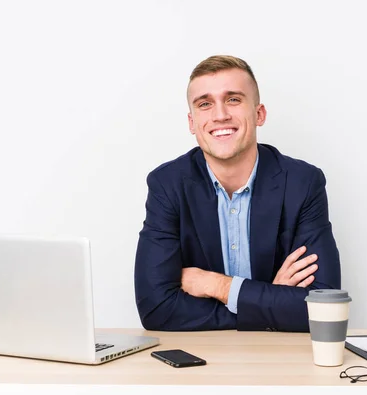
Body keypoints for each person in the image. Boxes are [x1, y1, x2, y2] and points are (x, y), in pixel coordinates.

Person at [134, 55, 341, 332]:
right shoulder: (167, 185)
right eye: (205, 104)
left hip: (281, 362)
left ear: (259, 114)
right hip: (201, 363)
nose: (220, 115)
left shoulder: (302, 183)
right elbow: (156, 309)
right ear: (192, 122)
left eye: (233, 99)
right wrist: (268, 300)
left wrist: (217, 285)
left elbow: (323, 307)